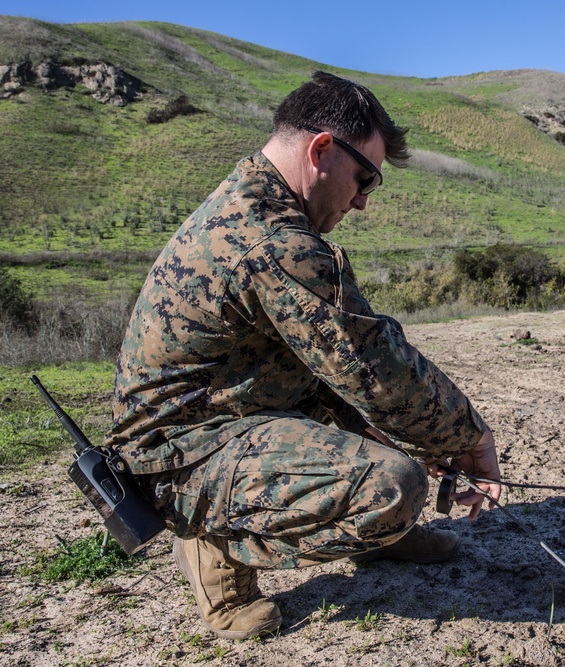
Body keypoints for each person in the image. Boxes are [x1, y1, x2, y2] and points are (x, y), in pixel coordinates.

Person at [105, 72, 501, 640]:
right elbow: (372, 367)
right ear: (321, 149)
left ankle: (383, 533)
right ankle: (214, 544)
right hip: (180, 456)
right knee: (391, 486)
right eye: (365, 177)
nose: (363, 200)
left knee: (388, 439)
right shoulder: (269, 237)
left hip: (235, 408)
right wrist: (469, 440)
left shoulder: (256, 202)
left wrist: (424, 440)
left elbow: (346, 364)